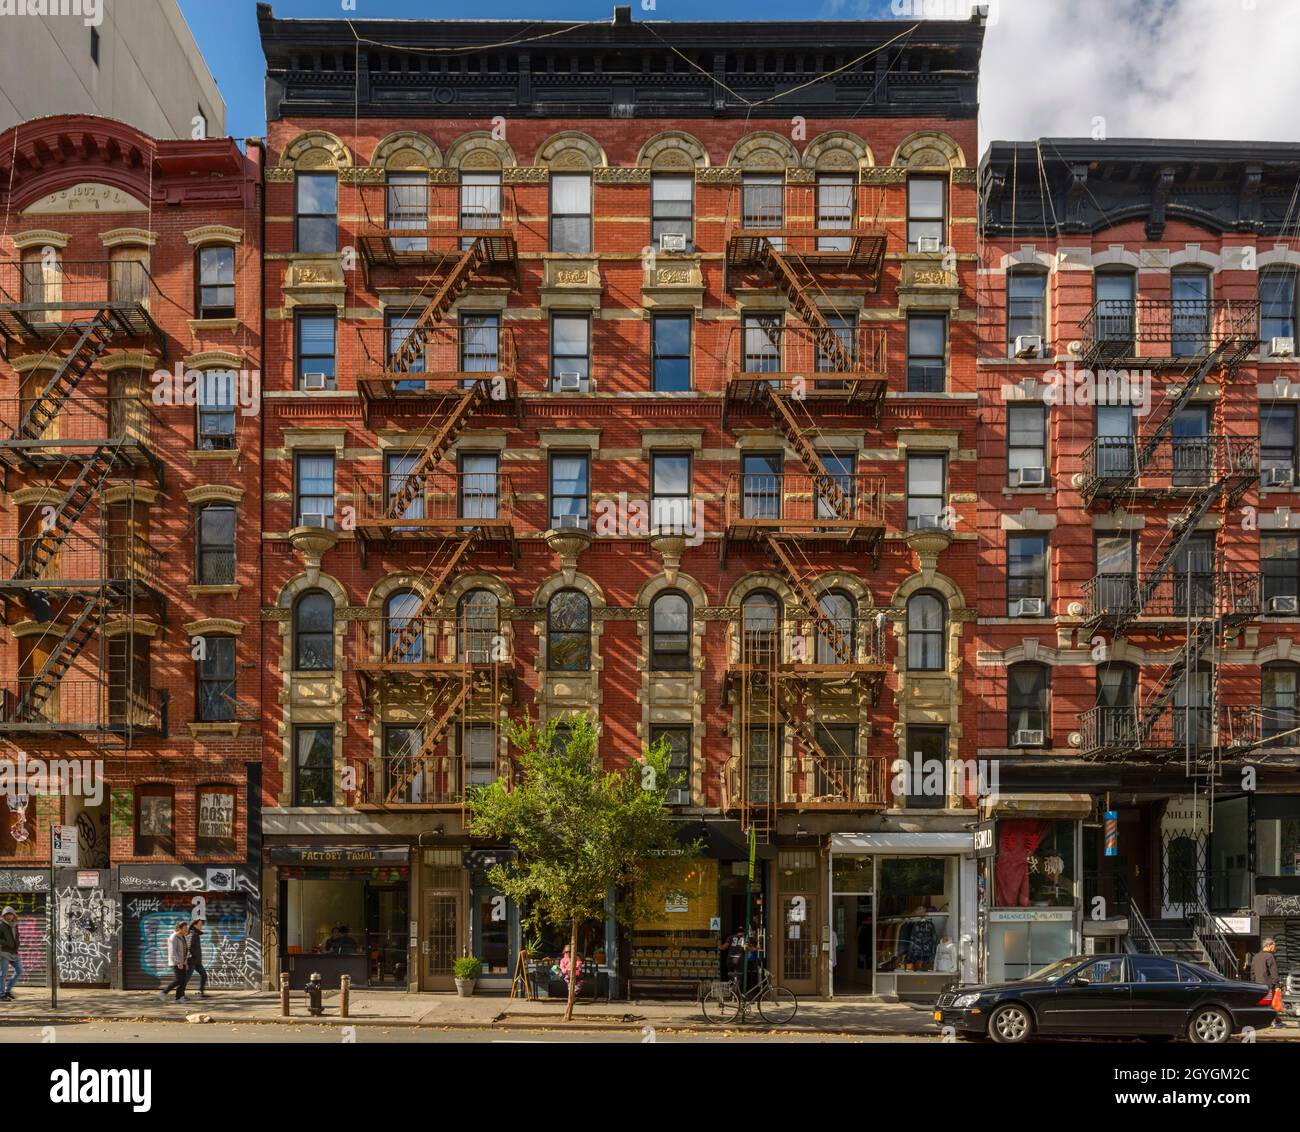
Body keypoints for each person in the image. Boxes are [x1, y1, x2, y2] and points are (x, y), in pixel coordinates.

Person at [158, 921, 191, 1003]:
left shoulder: (183, 937)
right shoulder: (173, 937)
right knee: (179, 980)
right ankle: (164, 992)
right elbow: (172, 951)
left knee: (183, 980)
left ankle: (179, 997)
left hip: (182, 962)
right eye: (185, 928)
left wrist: (185, 962)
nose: (186, 929)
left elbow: (186, 950)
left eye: (186, 927)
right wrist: (178, 962)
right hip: (175, 962)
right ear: (180, 928)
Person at [0, 906, 22, 1002]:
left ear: (13, 915)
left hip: (14, 952)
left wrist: (17, 943)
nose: (9, 916)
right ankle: (1, 995)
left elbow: (16, 937)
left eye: (10, 914)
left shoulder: (15, 925)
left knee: (19, 971)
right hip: (3, 952)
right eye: (6, 915)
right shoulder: (1, 925)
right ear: (4, 916)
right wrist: (5, 943)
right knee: (3, 974)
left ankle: (7, 990)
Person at [188, 918, 208, 999]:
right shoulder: (193, 934)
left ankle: (201, 992)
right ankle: (178, 994)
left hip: (197, 961)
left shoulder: (196, 934)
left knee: (204, 975)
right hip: (193, 961)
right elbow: (189, 947)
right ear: (195, 925)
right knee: (186, 978)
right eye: (200, 924)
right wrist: (194, 956)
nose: (201, 925)